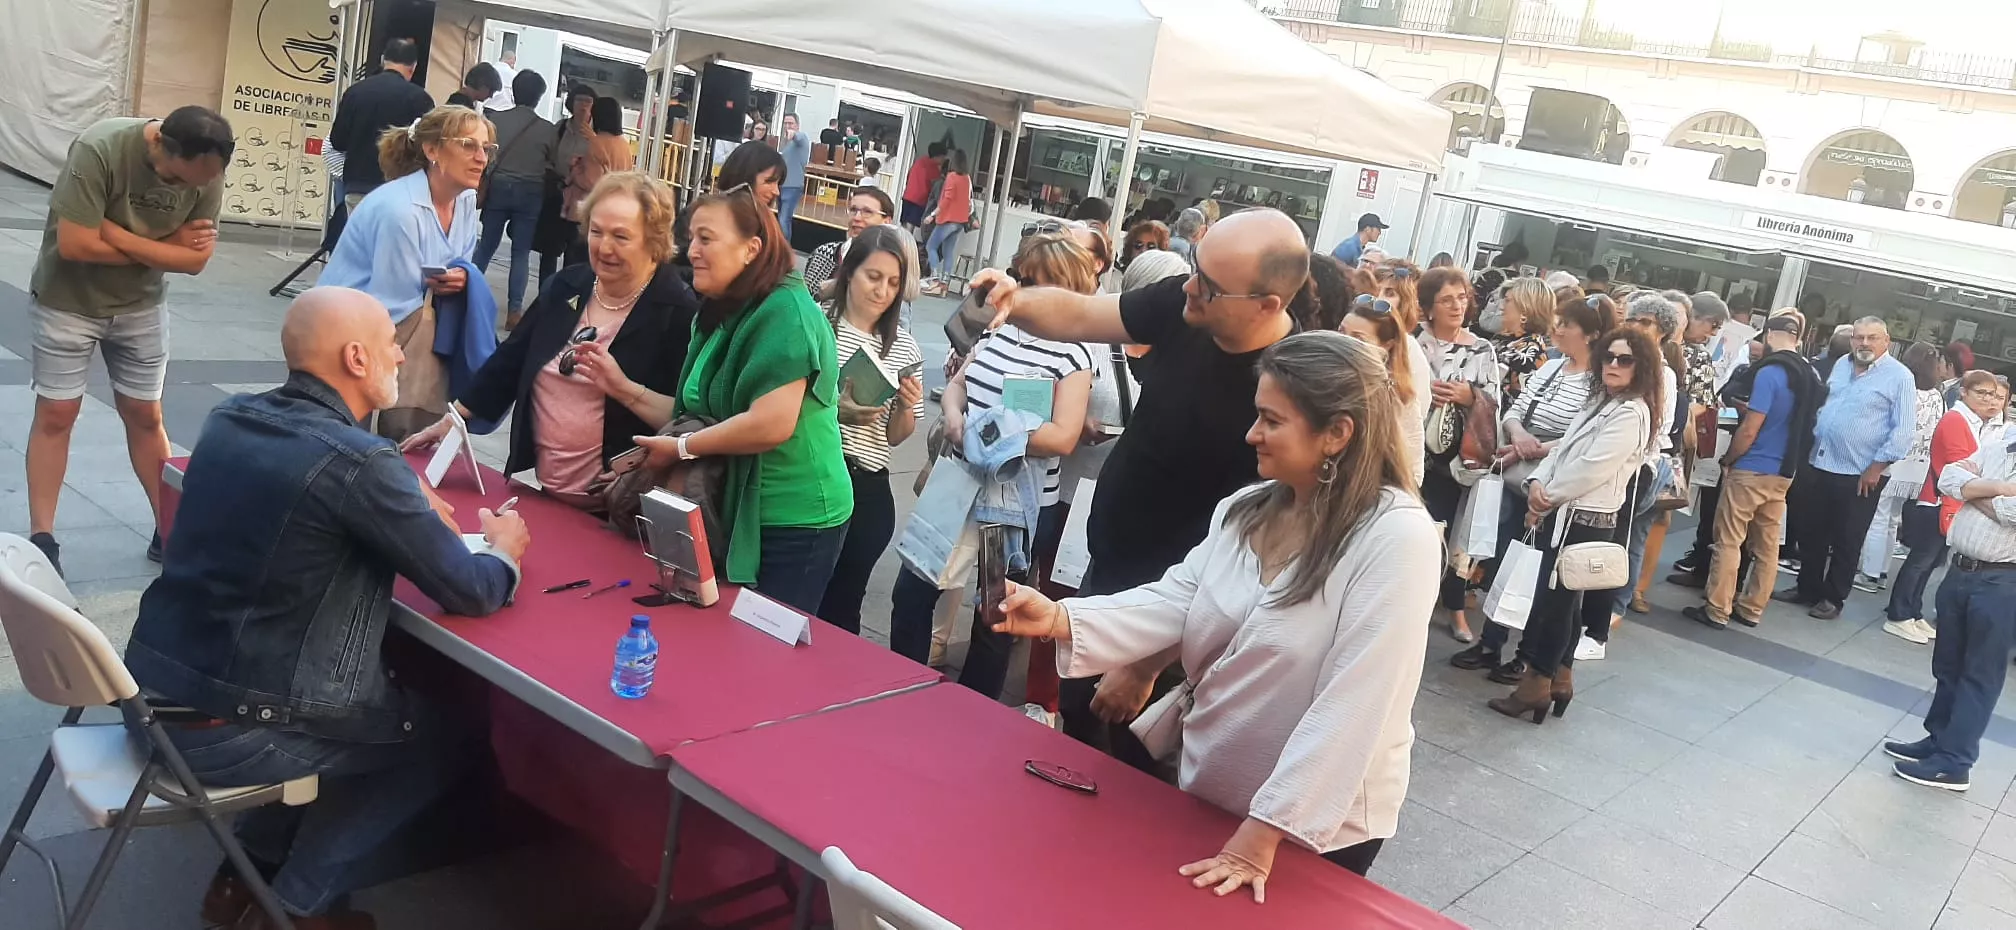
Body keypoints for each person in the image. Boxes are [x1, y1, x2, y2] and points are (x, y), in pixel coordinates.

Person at [123, 287, 529, 930]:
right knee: (447, 735)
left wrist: (399, 488)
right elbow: (471, 588)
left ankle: (239, 879)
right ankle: (299, 905)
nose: (402, 350)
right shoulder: (360, 463)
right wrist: (505, 551)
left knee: (340, 715)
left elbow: (311, 496)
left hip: (154, 696)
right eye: (391, 342)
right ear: (356, 358)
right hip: (229, 731)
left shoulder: (232, 417)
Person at [991, 331, 1435, 885]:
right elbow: (1177, 597)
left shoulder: (1397, 537)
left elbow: (1357, 700)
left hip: (1316, 827)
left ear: (1337, 433)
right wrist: (1061, 619)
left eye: (1272, 420)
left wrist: (1265, 830)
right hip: (1215, 785)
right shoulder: (1245, 508)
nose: (1252, 434)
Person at [967, 209, 1306, 771]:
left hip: (1183, 617)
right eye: (1195, 269)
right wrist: (1016, 299)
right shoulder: (1190, 304)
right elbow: (1080, 314)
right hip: (1110, 569)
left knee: (1131, 764)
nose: (1190, 287)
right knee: (1076, 718)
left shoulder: (1282, 390)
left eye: (1211, 286)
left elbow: (1246, 556)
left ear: (1268, 304)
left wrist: (1147, 663)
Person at [401, 172, 696, 510]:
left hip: (620, 508)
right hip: (547, 492)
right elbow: (511, 360)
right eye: (596, 231)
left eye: (622, 236)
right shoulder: (568, 285)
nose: (605, 247)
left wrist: (639, 456)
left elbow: (686, 419)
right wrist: (453, 420)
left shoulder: (677, 312)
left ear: (653, 241)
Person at [888, 233, 1097, 697]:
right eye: (1021, 277)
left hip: (1011, 504)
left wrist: (993, 433)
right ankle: (899, 687)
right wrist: (959, 418)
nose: (1021, 290)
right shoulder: (998, 327)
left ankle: (974, 711)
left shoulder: (1073, 351)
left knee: (994, 614)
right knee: (914, 589)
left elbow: (1064, 435)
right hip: (958, 481)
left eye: (1035, 283)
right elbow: (958, 384)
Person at [26, 106, 231, 573]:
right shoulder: (100, 148)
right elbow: (76, 246)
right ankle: (43, 538)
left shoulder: (206, 168)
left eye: (199, 183)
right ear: (158, 144)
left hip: (142, 307)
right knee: (57, 413)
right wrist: (165, 246)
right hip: (67, 300)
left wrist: (114, 231)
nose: (188, 190)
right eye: (178, 180)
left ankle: (168, 529)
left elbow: (194, 261)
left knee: (145, 413)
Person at [632, 188, 852, 613]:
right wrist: (617, 383)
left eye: (706, 238)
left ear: (752, 249)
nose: (690, 250)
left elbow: (771, 423)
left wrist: (679, 448)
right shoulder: (722, 307)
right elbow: (693, 412)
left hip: (795, 520)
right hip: (736, 508)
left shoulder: (787, 311)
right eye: (691, 236)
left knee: (763, 651)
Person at [1489, 324, 1660, 724]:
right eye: (1608, 356)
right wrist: (1536, 484)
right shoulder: (1601, 401)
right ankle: (1559, 678)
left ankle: (1537, 683)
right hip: (1565, 512)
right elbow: (1564, 450)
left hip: (1586, 520)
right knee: (1561, 606)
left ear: (1641, 367)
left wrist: (1546, 496)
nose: (1613, 365)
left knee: (1555, 607)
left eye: (1625, 359)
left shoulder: (1633, 412)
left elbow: (1592, 468)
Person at [1452, 294, 1610, 678]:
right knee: (1504, 557)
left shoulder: (1600, 381)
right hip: (1519, 465)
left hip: (1554, 480)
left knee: (1537, 570)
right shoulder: (1552, 367)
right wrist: (1520, 435)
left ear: (1590, 335)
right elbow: (1517, 409)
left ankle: (1526, 654)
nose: (1557, 330)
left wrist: (1537, 448)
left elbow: (1588, 435)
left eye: (1567, 325)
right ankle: (1490, 643)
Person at [320, 105, 493, 442]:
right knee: (345, 443)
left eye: (486, 148)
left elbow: (457, 263)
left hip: (402, 327)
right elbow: (390, 306)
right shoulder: (400, 209)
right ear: (432, 151)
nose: (481, 158)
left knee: (398, 441)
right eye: (468, 145)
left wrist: (463, 277)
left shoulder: (467, 201)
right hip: (346, 331)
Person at [1885, 410, 2016, 792]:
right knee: (1948, 666)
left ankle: (1955, 761)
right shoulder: (1998, 446)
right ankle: (1938, 740)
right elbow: (1948, 478)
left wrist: (1973, 492)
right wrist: (1995, 488)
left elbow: (2011, 511)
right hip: (1960, 572)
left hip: (2002, 581)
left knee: (1980, 673)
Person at [1681, 312, 1823, 631]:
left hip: (1753, 466)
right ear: (1797, 338)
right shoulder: (1810, 373)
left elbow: (1750, 428)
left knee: (1729, 539)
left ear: (1769, 334)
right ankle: (1752, 608)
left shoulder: (1771, 372)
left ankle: (1717, 607)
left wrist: (1729, 459)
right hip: (1784, 470)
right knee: (1768, 545)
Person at [817, 226, 925, 635]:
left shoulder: (904, 348)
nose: (882, 291)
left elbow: (897, 436)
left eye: (893, 283)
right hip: (819, 473)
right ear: (849, 273)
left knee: (844, 607)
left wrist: (907, 403)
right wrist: (836, 411)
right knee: (802, 597)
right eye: (873, 277)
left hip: (869, 483)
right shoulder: (820, 326)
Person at [1775, 317, 1917, 620]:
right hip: (1821, 461)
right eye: (1858, 337)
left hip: (1862, 473)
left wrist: (1876, 468)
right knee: (1812, 532)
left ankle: (1832, 598)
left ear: (1886, 341)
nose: (1864, 343)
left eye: (1871, 338)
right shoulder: (1841, 364)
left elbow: (1903, 431)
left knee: (1847, 538)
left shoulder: (1900, 377)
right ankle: (1807, 588)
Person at [1884, 370, 2006, 644]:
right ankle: (1898, 614)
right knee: (1921, 561)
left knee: (1931, 562)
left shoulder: (1976, 422)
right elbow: (1959, 466)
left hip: (1952, 501)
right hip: (1938, 500)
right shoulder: (1956, 419)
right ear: (1964, 392)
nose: (1988, 399)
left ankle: (1913, 612)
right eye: (1981, 393)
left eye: (1992, 394)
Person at [1416, 265, 1501, 644]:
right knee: (1415, 529)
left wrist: (1471, 397)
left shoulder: (1482, 348)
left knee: (1452, 533)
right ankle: (1411, 603)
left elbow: (1498, 400)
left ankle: (1454, 607)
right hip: (1413, 449)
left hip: (1456, 457)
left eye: (1462, 298)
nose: (1456, 306)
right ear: (1428, 307)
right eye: (1446, 300)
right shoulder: (1412, 343)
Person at [1855, 343, 1948, 598]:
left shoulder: (1904, 389)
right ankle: (1882, 571)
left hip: (1893, 461)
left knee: (1878, 516)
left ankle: (1869, 573)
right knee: (1893, 519)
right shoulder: (1937, 395)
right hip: (1918, 466)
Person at [472, 68, 554, 327]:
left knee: (486, 245)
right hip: (530, 192)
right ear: (539, 97)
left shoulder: (495, 120)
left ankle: (464, 296)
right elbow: (555, 163)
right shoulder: (547, 129)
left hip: (498, 187)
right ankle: (514, 312)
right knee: (521, 252)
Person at [328, 39, 433, 208]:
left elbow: (337, 141)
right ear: (413, 67)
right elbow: (426, 147)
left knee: (359, 233)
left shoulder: (355, 92)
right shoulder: (420, 98)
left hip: (357, 184)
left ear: (383, 60)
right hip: (400, 188)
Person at [1339, 284, 1421, 482]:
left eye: (1359, 339)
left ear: (1387, 345)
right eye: (1341, 332)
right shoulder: (1314, 377)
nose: (1344, 342)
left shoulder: (1399, 397)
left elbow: (1413, 472)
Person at [536, 84, 598, 285]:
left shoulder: (597, 135)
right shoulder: (561, 128)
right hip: (558, 196)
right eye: (579, 100)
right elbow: (547, 156)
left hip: (583, 202)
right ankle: (545, 294)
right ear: (571, 102)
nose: (583, 106)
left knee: (574, 253)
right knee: (549, 250)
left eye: (588, 101)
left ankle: (566, 295)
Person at [804, 187, 896, 297]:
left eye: (867, 212)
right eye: (853, 210)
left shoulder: (893, 266)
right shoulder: (823, 254)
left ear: (886, 222)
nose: (857, 218)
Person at [920, 149, 974, 296]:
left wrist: (932, 215)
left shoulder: (952, 177)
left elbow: (947, 199)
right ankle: (945, 283)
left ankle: (935, 280)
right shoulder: (967, 178)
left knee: (931, 246)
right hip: (960, 221)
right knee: (948, 251)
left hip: (947, 219)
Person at [1493, 278, 1556, 397]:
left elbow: (1515, 402)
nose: (1501, 307)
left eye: (1507, 301)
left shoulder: (1529, 352)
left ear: (1525, 310)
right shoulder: (1505, 338)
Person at [775, 113, 811, 240]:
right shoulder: (786, 144)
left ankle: (784, 249)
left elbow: (799, 137)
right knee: (782, 218)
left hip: (793, 186)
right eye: (785, 123)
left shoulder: (802, 138)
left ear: (797, 125)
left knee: (784, 219)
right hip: (781, 185)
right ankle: (783, 247)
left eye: (791, 123)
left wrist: (793, 134)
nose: (787, 126)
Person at [900, 142, 946, 231]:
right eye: (943, 157)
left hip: (908, 195)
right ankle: (907, 243)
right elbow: (935, 187)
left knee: (904, 223)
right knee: (910, 225)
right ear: (938, 156)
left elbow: (909, 175)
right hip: (919, 200)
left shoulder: (919, 161)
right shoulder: (934, 169)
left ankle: (900, 242)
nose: (943, 160)